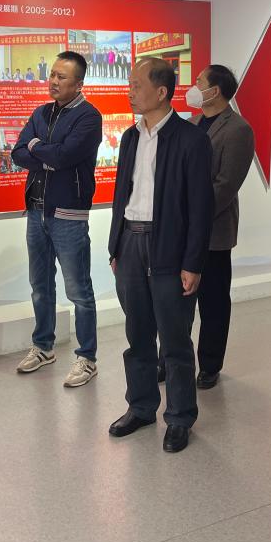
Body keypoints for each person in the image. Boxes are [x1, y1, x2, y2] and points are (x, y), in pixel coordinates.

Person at [107, 58, 213, 453]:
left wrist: (193, 263)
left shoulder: (190, 139)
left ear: (162, 91)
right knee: (137, 335)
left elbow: (201, 207)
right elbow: (122, 193)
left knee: (174, 340)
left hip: (168, 246)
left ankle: (180, 417)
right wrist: (116, 245)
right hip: (130, 243)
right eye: (130, 84)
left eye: (137, 85)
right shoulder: (130, 137)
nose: (130, 91)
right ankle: (140, 407)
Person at [11, 52, 103, 387]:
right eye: (52, 74)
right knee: (40, 286)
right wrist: (46, 153)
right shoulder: (41, 112)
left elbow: (66, 156)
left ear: (78, 83)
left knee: (79, 290)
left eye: (61, 77)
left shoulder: (89, 117)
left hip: (68, 214)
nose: (53, 81)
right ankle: (43, 346)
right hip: (36, 211)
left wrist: (38, 148)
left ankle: (87, 357)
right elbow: (18, 152)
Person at [181, 64, 255, 389]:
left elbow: (226, 185)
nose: (194, 86)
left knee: (212, 303)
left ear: (216, 91)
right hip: (182, 230)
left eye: (199, 82)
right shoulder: (192, 123)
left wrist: (192, 214)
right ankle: (173, 359)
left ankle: (210, 365)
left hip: (214, 231)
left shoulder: (238, 129)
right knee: (178, 303)